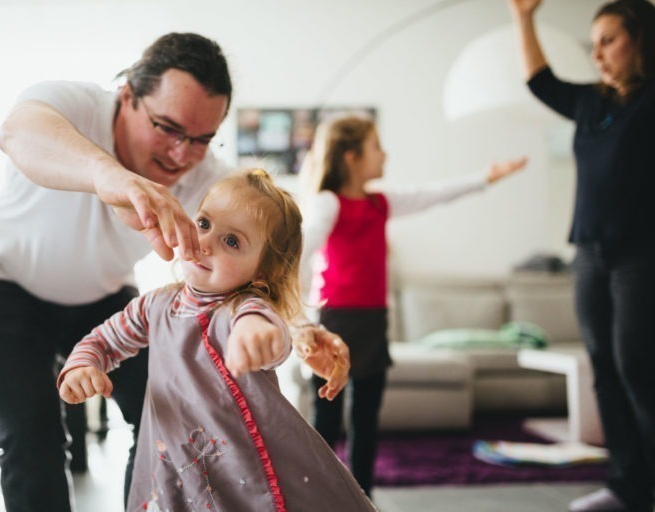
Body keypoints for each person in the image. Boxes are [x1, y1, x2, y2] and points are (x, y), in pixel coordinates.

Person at [0, 32, 348, 512]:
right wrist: (114, 178)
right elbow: (16, 132)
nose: (182, 154)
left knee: (163, 414)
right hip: (1, 286)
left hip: (103, 295)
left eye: (202, 139)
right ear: (128, 97)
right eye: (168, 128)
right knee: (32, 438)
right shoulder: (76, 104)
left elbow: (259, 260)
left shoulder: (206, 179)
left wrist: (301, 326)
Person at [58, 169, 376, 511]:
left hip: (237, 469)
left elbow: (266, 330)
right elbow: (103, 341)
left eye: (232, 241)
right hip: (172, 464)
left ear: (262, 272)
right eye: (204, 224)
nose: (205, 243)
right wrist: (83, 365)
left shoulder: (244, 308)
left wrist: (257, 335)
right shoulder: (155, 304)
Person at [298, 115, 527, 497]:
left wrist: (486, 178)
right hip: (335, 322)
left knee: (366, 420)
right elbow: (304, 250)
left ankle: (361, 497)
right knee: (327, 418)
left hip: (374, 322)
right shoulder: (328, 203)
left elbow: (432, 194)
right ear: (352, 157)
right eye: (376, 146)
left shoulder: (381, 203)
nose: (384, 154)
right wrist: (300, 317)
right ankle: (318, 497)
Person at [508, 1, 655, 511]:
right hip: (589, 252)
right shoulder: (592, 102)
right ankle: (627, 486)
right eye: (593, 43)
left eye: (609, 40)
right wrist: (523, 18)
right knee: (605, 369)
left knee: (638, 366)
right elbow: (540, 81)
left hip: (641, 253)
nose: (598, 53)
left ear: (640, 40)